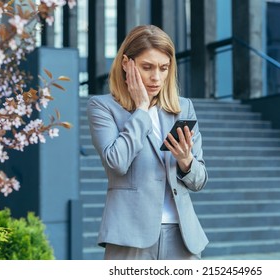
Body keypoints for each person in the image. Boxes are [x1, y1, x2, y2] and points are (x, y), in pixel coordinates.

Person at [86, 25, 209, 260]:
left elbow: (199, 181)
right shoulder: (102, 107)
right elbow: (116, 163)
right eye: (147, 67)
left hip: (184, 238)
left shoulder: (183, 108)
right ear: (126, 63)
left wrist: (186, 161)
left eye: (163, 68)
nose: (156, 77)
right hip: (129, 237)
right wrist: (141, 108)